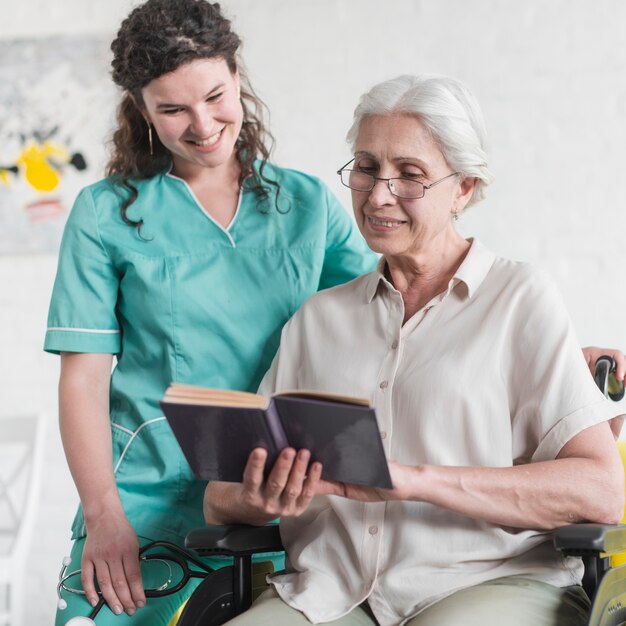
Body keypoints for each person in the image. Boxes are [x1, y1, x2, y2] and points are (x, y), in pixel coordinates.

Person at [204, 74, 626, 626]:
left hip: (486, 582)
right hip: (331, 593)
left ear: (464, 189)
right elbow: (217, 498)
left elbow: (599, 492)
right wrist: (264, 496)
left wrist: (412, 480)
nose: (379, 195)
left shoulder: (520, 298)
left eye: (410, 175)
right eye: (365, 168)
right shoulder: (318, 319)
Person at [44, 1, 377, 624]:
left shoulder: (305, 204)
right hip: (141, 496)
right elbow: (83, 378)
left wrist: (532, 354)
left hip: (274, 496)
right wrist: (103, 515)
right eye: (172, 109)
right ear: (140, 110)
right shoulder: (105, 213)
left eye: (216, 96)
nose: (202, 125)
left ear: (237, 77)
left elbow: (398, 316)